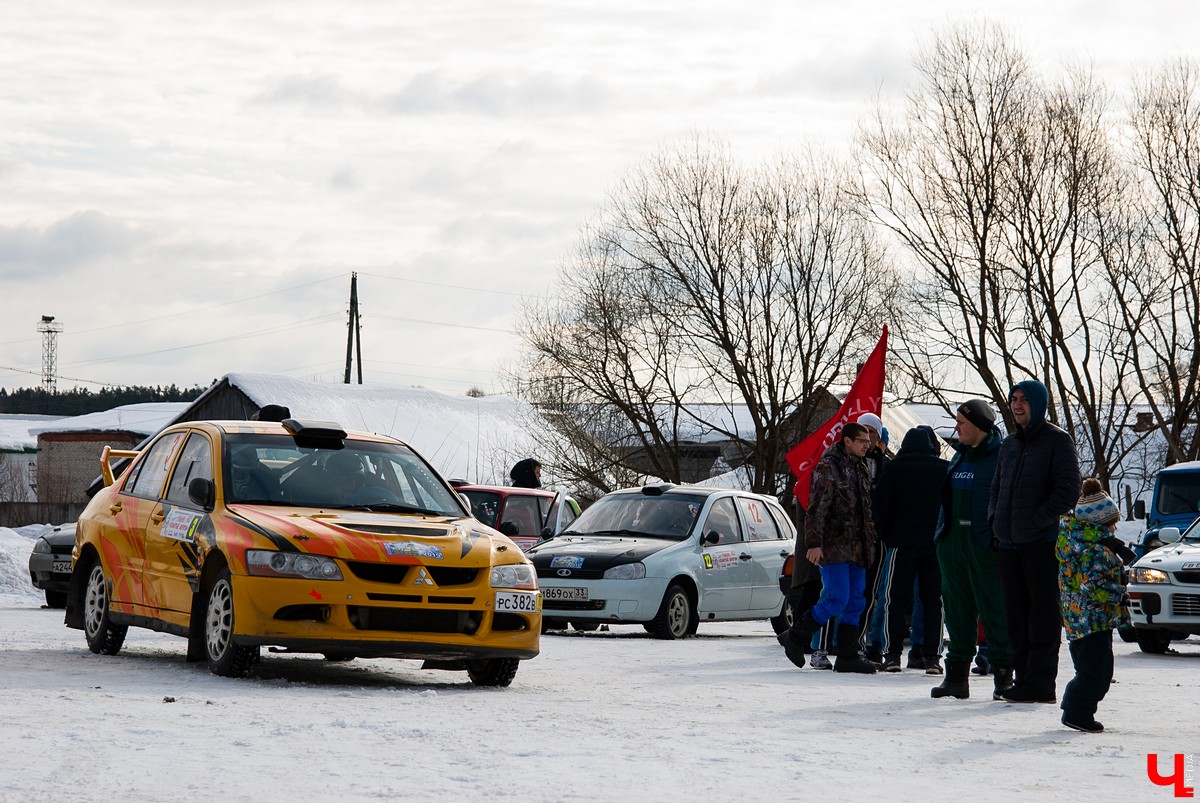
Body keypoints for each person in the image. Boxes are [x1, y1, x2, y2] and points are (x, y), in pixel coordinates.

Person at [990, 380, 1081, 704]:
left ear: (1038, 404)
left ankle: (1041, 684)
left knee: (1041, 618)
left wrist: (1038, 518)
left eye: (1024, 400)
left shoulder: (1057, 441)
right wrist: (995, 520)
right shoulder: (1010, 444)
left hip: (1041, 544)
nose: (1017, 405)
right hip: (1009, 545)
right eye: (1013, 399)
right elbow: (996, 489)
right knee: (1015, 617)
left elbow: (1069, 490)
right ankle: (1023, 679)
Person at [777, 422, 878, 674]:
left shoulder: (862, 468)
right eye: (862, 440)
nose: (868, 445)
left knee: (856, 601)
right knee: (836, 598)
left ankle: (847, 655)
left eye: (868, 440)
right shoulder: (827, 467)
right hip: (834, 546)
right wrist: (814, 543)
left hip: (859, 547)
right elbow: (816, 509)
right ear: (847, 441)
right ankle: (796, 638)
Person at [931, 399, 1014, 700]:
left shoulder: (1001, 457)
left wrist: (996, 537)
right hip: (953, 542)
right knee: (957, 611)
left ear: (979, 426)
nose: (956, 428)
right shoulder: (959, 457)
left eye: (962, 423)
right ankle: (956, 678)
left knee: (994, 611)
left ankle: (1004, 677)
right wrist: (942, 536)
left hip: (984, 544)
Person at [1057, 478, 1135, 733]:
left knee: (1089, 671)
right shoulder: (1096, 551)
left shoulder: (1075, 544)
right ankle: (1078, 713)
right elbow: (1092, 585)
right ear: (1102, 523)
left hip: (1078, 620)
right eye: (1113, 522)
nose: (1116, 527)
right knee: (1097, 675)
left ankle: (1074, 708)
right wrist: (1120, 594)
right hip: (1093, 621)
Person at [872, 425, 948, 674]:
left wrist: (888, 537)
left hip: (901, 544)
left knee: (894, 600)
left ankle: (892, 655)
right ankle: (933, 657)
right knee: (933, 601)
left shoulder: (893, 468)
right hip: (934, 545)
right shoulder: (943, 469)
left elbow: (881, 508)